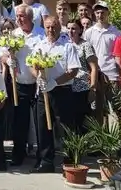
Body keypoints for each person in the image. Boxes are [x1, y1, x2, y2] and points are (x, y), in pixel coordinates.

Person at [30, 16, 81, 173]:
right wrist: (38, 76)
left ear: (59, 27)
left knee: (65, 128)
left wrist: (55, 82)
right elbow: (32, 65)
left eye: (53, 27)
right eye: (47, 27)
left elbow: (73, 70)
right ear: (44, 28)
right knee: (43, 128)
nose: (50, 30)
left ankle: (70, 162)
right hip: (43, 92)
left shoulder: (67, 46)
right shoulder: (39, 45)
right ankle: (46, 162)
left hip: (61, 91)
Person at [7, 4, 45, 166]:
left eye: (21, 16)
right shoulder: (13, 35)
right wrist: (8, 59)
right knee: (20, 122)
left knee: (39, 122)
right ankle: (18, 154)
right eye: (17, 16)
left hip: (38, 83)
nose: (18, 18)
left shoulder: (41, 34)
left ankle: (41, 156)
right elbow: (3, 55)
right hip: (20, 84)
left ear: (30, 17)